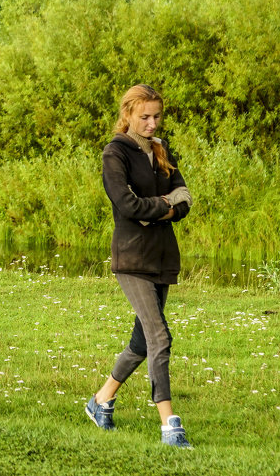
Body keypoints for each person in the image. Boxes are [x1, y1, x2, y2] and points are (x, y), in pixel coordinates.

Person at [85, 84, 194, 448]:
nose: (151, 123)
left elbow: (185, 197)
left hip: (162, 256)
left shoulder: (162, 149)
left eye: (156, 116)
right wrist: (165, 207)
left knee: (142, 342)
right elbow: (126, 205)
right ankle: (170, 426)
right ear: (128, 114)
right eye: (144, 116)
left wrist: (163, 207)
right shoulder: (115, 153)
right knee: (160, 336)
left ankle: (101, 400)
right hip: (131, 258)